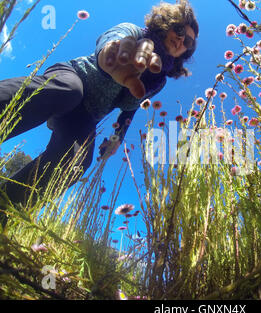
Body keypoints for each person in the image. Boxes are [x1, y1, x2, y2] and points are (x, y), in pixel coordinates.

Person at [0, 0, 199, 228]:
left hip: (86, 115)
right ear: (168, 23)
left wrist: (117, 139)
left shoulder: (159, 79)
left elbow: (129, 108)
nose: (182, 39)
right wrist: (111, 55)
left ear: (187, 50)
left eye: (189, 41)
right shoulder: (135, 33)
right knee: (68, 91)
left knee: (77, 162)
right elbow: (115, 37)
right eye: (180, 30)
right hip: (72, 76)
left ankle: (4, 210)